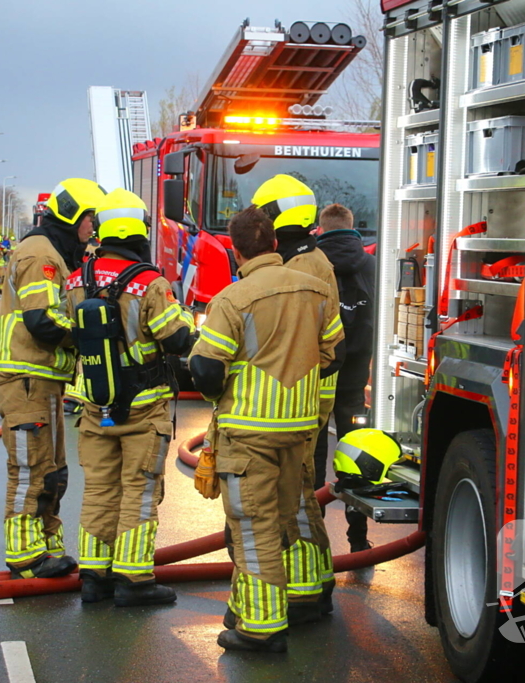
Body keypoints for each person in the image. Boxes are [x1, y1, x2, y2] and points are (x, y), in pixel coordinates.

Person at [189, 206, 342, 653]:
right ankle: (266, 604)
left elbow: (204, 366)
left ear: (237, 251)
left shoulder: (233, 299)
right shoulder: (317, 291)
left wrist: (223, 395)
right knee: (284, 519)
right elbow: (335, 353)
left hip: (247, 435)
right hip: (299, 432)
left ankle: (261, 627)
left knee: (252, 529)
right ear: (274, 243)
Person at [66, 188, 195, 606]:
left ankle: (94, 578)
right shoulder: (149, 284)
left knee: (99, 490)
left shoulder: (76, 280)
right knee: (139, 491)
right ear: (138, 229)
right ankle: (134, 580)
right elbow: (177, 339)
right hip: (143, 407)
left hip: (93, 405)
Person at [0, 177, 106, 580]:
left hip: (44, 381)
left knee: (53, 470)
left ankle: (48, 544)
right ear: (76, 215)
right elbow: (41, 319)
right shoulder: (39, 253)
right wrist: (86, 335)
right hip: (25, 378)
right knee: (29, 468)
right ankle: (25, 554)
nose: (93, 229)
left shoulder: (54, 253)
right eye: (91, 219)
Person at [251, 175, 344, 620]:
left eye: (264, 215)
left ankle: (305, 590)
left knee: (295, 493)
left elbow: (313, 347)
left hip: (297, 400)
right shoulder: (306, 259)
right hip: (303, 396)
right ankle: (314, 579)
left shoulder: (302, 269)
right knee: (299, 489)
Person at [314, 204, 377, 551]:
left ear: (321, 229)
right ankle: (357, 538)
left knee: (314, 457)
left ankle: (315, 540)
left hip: (318, 376)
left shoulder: (311, 263)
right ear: (352, 227)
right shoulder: (372, 265)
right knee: (354, 454)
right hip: (355, 380)